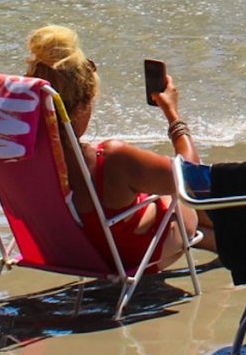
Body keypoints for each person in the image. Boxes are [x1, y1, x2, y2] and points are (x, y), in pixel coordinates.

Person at [25, 24, 214, 272]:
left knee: (206, 226)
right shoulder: (111, 158)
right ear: (82, 106)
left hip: (79, 251)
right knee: (194, 193)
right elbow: (192, 177)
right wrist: (173, 114)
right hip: (132, 255)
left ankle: (234, 247)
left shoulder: (21, 156)